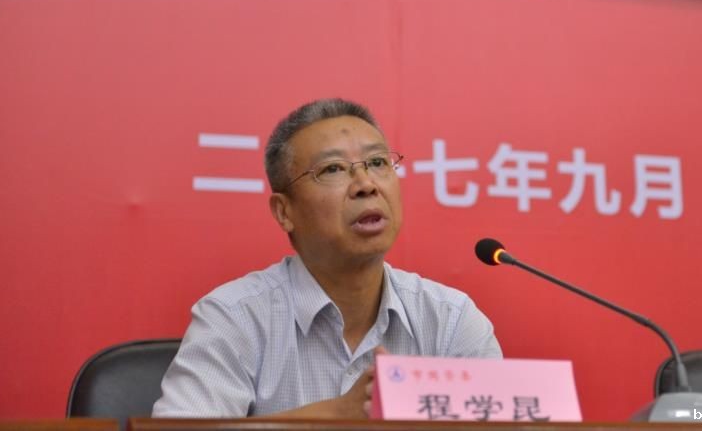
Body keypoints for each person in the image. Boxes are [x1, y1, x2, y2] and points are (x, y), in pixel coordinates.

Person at [152, 98, 502, 418]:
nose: (366, 184)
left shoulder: (450, 320)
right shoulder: (235, 317)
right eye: (333, 169)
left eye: (378, 162)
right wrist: (335, 416)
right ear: (284, 211)